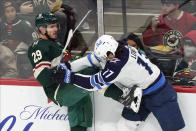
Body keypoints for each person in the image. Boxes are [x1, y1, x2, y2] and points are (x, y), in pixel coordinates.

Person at [51, 34, 185, 131]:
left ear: (111, 53)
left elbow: (92, 83)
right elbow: (91, 59)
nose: (101, 59)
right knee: (123, 127)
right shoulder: (120, 46)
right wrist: (69, 67)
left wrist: (69, 77)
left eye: (104, 56)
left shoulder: (117, 66)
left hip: (160, 93)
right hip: (137, 95)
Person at [27, 12, 94, 131]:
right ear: (42, 29)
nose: (56, 29)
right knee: (94, 75)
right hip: (59, 91)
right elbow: (43, 77)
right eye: (51, 26)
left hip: (69, 85)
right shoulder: (38, 47)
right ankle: (123, 96)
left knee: (80, 117)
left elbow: (66, 64)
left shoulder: (56, 43)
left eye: (56, 26)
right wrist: (55, 73)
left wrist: (70, 64)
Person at [0, 0, 38, 78]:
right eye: (7, 12)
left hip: (20, 52)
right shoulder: (2, 25)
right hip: (4, 53)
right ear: (4, 13)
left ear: (16, 11)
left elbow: (34, 41)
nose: (10, 14)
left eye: (12, 11)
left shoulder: (24, 24)